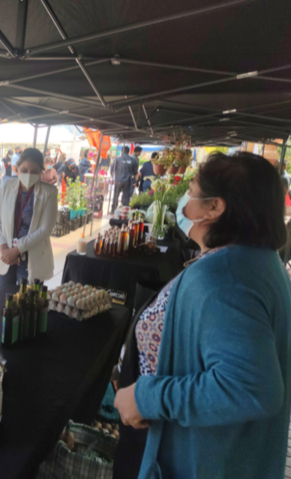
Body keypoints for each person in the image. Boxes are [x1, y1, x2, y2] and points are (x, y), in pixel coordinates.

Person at [113, 152, 291, 479]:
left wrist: (147, 397)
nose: (185, 197)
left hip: (203, 459)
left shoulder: (228, 279)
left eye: (192, 189)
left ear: (215, 208)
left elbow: (250, 388)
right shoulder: (255, 262)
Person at [0, 148, 58, 291]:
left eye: (34, 171)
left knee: (27, 304)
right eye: (24, 170)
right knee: (1, 300)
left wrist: (17, 249)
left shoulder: (49, 192)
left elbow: (45, 230)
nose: (28, 174)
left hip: (31, 256)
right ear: (16, 169)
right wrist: (3, 249)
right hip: (5, 255)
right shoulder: (7, 186)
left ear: (41, 172)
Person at [111, 146, 139, 212]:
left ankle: (113, 210)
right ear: (128, 152)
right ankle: (125, 210)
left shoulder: (117, 160)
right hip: (127, 181)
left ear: (121, 151)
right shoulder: (133, 160)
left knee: (116, 195)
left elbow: (112, 170)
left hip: (118, 181)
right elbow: (135, 173)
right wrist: (135, 181)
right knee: (126, 196)